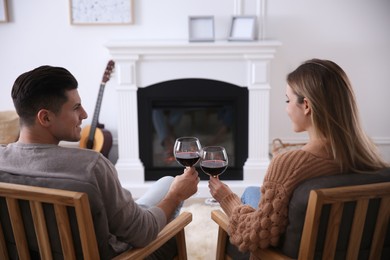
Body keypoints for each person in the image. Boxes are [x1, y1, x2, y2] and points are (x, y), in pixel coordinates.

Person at [0, 65, 199, 259]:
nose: (84, 114)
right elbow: (142, 233)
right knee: (169, 186)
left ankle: (135, 209)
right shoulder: (90, 166)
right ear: (45, 117)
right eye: (76, 107)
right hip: (124, 254)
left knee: (161, 186)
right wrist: (176, 195)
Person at [208, 59, 388, 258]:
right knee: (252, 191)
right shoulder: (369, 160)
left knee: (245, 198)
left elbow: (254, 236)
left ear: (307, 105)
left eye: (288, 100)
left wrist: (227, 199)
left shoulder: (289, 165)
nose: (286, 109)